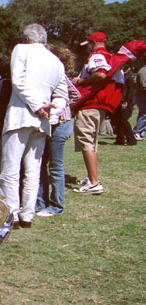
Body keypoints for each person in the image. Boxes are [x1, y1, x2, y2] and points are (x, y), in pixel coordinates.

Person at [0, 24, 68, 229]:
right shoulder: (56, 61)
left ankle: (11, 214)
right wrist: (52, 111)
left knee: (10, 171)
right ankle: (27, 215)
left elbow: (18, 82)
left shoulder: (21, 49)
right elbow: (63, 95)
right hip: (42, 121)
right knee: (33, 170)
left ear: (26, 39)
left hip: (21, 116)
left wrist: (39, 107)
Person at [72, 32, 124, 194]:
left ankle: (94, 183)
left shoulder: (97, 55)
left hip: (91, 103)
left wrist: (81, 81)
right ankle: (92, 177)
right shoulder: (112, 58)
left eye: (88, 45)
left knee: (85, 140)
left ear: (93, 43)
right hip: (102, 105)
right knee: (92, 142)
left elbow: (100, 73)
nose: (87, 48)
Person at [35, 45, 80, 217]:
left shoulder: (59, 76)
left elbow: (76, 95)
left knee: (55, 166)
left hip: (60, 125)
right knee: (40, 164)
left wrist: (64, 109)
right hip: (48, 125)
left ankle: (56, 205)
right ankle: (40, 202)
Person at [112, 67, 137, 146]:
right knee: (118, 120)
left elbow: (131, 91)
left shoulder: (129, 78)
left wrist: (126, 101)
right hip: (119, 100)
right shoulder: (119, 77)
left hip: (126, 101)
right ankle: (120, 139)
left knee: (123, 120)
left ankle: (131, 140)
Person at [133, 64, 146, 140]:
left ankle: (141, 133)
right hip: (142, 95)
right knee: (144, 114)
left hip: (142, 95)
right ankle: (136, 131)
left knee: (142, 113)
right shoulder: (143, 71)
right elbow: (143, 85)